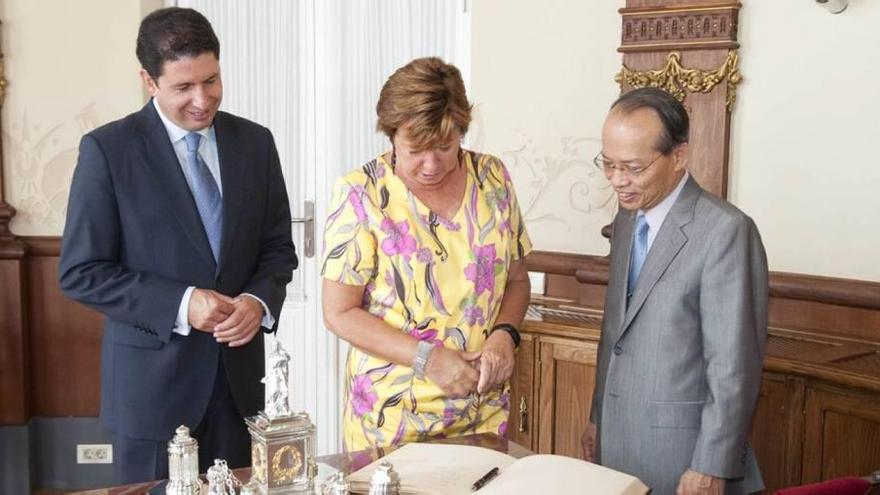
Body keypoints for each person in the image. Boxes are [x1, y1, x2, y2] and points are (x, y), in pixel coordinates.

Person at [58, 7, 298, 483]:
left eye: (211, 80)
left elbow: (277, 249)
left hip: (240, 392)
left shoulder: (255, 143)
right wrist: (183, 305)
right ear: (149, 81)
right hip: (151, 398)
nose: (202, 100)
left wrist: (257, 301)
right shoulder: (107, 151)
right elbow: (81, 272)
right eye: (183, 87)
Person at [321, 57, 532, 451]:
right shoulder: (360, 194)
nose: (431, 164)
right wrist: (428, 359)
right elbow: (339, 312)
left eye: (445, 146)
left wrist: (506, 335)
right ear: (390, 134)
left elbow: (517, 281)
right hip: (391, 418)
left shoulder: (493, 179)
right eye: (416, 149)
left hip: (482, 410)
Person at [582, 88, 768, 495]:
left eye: (632, 167)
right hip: (619, 442)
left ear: (679, 156)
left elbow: (733, 365)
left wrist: (711, 465)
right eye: (608, 165)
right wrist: (599, 417)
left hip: (686, 457)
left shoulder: (725, 231)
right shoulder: (628, 220)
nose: (617, 181)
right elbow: (614, 333)